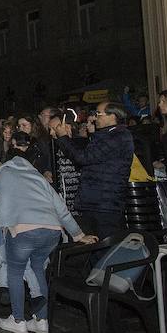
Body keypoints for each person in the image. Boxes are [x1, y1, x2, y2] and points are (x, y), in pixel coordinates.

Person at [0, 142, 97, 333]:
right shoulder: (38, 177)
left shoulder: (2, 172)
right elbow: (62, 209)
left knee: (15, 273)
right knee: (38, 269)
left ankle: (17, 320)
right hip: (51, 231)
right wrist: (79, 235)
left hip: (23, 230)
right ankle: (41, 321)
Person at [53, 101, 134, 241]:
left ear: (112, 116)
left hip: (106, 204)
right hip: (96, 202)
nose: (94, 118)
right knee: (93, 248)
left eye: (98, 114)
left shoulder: (118, 136)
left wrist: (63, 138)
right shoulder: (106, 135)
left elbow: (83, 158)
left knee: (107, 247)